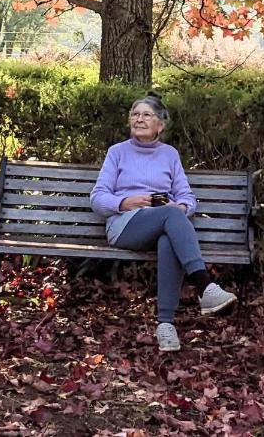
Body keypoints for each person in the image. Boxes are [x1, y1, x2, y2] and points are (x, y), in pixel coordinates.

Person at [90, 93, 237, 352]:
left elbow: (187, 197)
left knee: (169, 237)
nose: (139, 119)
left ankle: (166, 325)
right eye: (135, 114)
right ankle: (205, 285)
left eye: (147, 115)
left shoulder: (169, 154)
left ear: (161, 125)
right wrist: (125, 203)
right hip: (125, 226)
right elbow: (97, 197)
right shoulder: (117, 153)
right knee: (172, 217)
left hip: (162, 222)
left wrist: (179, 206)